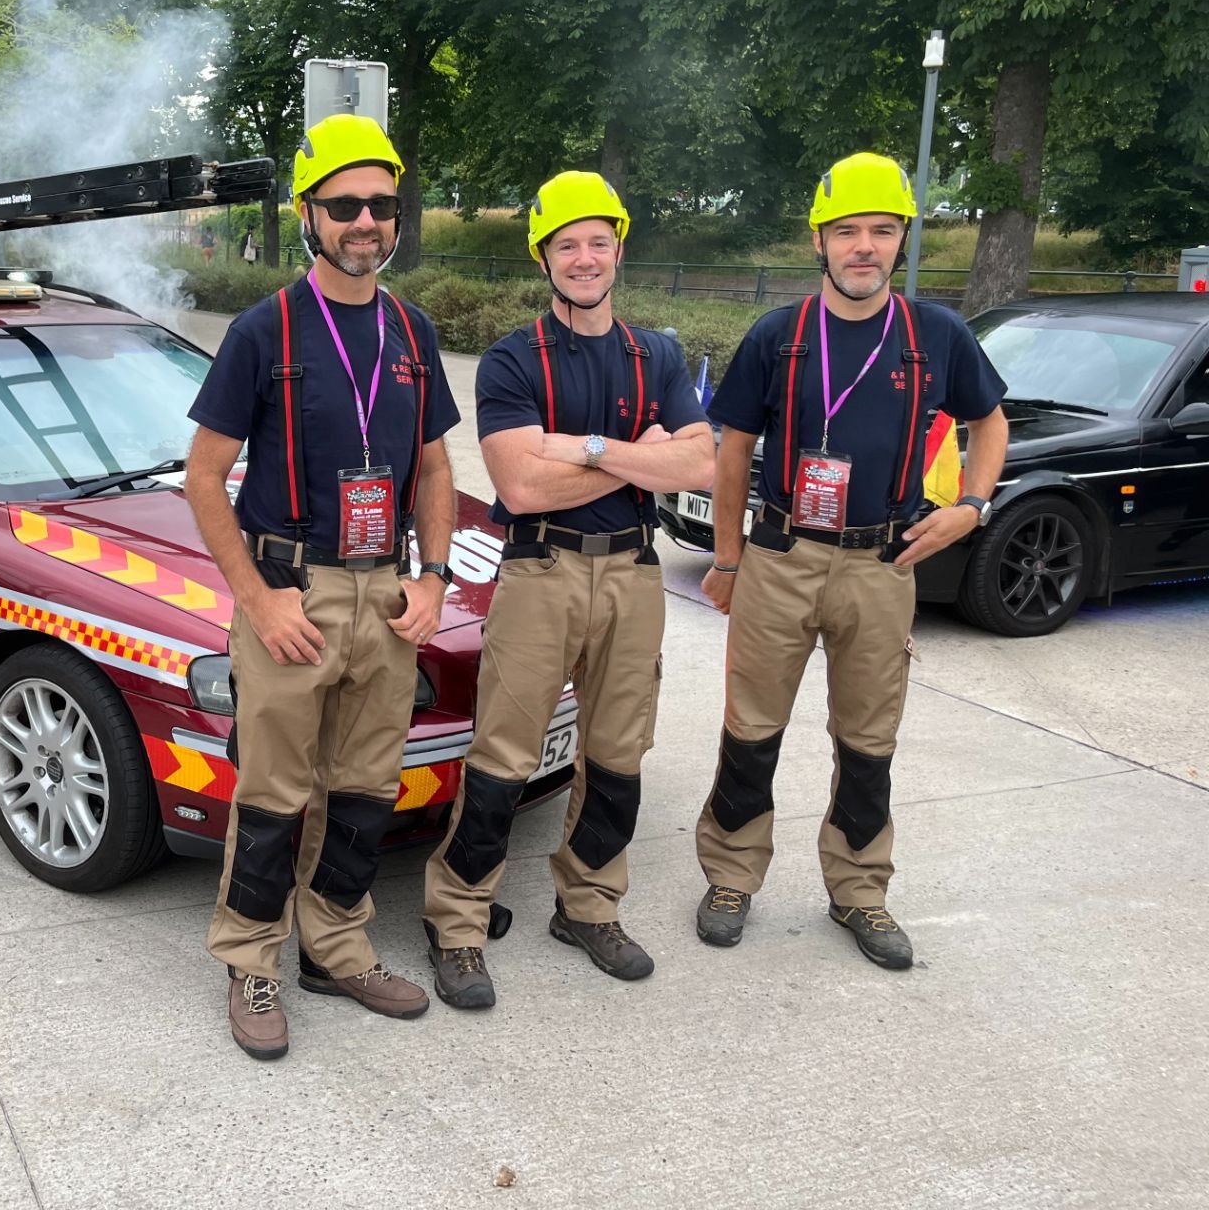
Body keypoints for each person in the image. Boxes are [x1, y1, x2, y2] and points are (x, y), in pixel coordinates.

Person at [185, 113, 461, 1059]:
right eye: (345, 205)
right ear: (308, 212)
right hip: (291, 596)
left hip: (385, 597)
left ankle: (336, 948)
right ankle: (251, 957)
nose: (365, 222)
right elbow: (202, 476)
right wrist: (259, 601)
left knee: (364, 790)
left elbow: (432, 469)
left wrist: (433, 580)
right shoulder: (265, 330)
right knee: (271, 793)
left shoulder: (414, 333)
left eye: (382, 207)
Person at [694, 152, 1009, 968]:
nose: (863, 246)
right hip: (783, 556)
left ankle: (860, 892)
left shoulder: (935, 334)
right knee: (750, 729)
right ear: (819, 242)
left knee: (869, 739)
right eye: (846, 231)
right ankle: (731, 876)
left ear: (901, 238)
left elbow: (991, 421)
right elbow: (734, 452)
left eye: (880, 230)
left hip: (881, 564)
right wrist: (726, 559)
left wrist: (972, 507)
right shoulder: (778, 335)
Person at [420, 172, 715, 1005]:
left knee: (619, 756)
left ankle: (588, 907)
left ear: (620, 248)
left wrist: (579, 448)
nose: (583, 259)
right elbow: (519, 489)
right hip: (540, 571)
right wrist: (629, 449)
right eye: (566, 245)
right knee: (504, 759)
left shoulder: (654, 352)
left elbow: (699, 461)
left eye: (597, 242)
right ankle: (459, 922)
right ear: (543, 257)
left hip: (632, 571)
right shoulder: (516, 358)